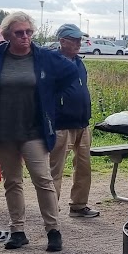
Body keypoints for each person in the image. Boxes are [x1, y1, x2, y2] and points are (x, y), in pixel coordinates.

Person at [0, 12, 78, 252]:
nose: (25, 37)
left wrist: (48, 94)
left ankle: (53, 230)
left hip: (34, 130)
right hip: (4, 131)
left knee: (43, 179)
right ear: (8, 35)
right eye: (19, 33)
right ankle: (18, 230)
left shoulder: (45, 57)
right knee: (12, 181)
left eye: (29, 32)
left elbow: (70, 73)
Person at [48, 23, 100, 219]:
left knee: (84, 167)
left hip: (82, 123)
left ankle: (78, 205)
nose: (80, 43)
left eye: (80, 39)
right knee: (55, 170)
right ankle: (51, 211)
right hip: (61, 124)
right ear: (62, 41)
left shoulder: (78, 61)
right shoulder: (53, 62)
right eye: (75, 39)